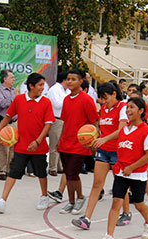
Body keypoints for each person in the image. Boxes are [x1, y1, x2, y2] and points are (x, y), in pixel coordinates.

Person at [0, 73, 55, 213]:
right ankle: (2, 201)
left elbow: (47, 125)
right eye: (40, 85)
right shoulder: (19, 99)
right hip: (21, 145)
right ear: (31, 86)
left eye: (43, 85)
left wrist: (37, 141)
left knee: (41, 173)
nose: (42, 88)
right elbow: (8, 116)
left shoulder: (46, 102)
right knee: (13, 173)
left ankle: (44, 196)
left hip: (39, 147)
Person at [97, 97, 148, 239]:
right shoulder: (125, 129)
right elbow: (116, 134)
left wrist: (132, 167)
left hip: (137, 174)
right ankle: (109, 235)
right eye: (127, 107)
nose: (128, 110)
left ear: (141, 111)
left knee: (139, 204)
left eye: (132, 107)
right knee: (116, 202)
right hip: (122, 173)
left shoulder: (146, 131)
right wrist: (103, 140)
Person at [71, 82, 127, 230]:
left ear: (114, 94)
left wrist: (104, 139)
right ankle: (86, 218)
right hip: (104, 150)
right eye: (101, 98)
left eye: (105, 97)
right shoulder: (103, 108)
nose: (104, 101)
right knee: (97, 184)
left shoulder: (122, 108)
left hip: (117, 151)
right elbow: (102, 129)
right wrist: (92, 140)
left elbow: (121, 130)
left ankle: (126, 213)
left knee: (120, 185)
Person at [56, 69, 99, 215]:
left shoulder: (87, 99)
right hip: (65, 142)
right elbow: (65, 122)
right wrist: (60, 140)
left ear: (81, 82)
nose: (70, 81)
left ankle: (80, 197)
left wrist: (94, 142)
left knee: (73, 174)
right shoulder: (67, 100)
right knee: (68, 174)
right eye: (68, 79)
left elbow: (94, 122)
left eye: (73, 79)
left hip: (80, 144)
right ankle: (71, 201)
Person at [0, 69, 16, 181]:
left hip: (14, 122)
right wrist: (13, 97)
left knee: (12, 148)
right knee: (2, 147)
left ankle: (10, 170)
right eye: (11, 77)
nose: (13, 79)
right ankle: (2, 171)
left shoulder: (14, 91)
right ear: (5, 79)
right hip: (2, 122)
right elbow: (2, 104)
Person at [46, 70, 69, 176]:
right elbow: (57, 104)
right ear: (64, 80)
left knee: (62, 144)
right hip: (56, 119)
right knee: (54, 144)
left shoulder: (66, 90)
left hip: (65, 120)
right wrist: (68, 100)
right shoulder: (54, 89)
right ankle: (52, 167)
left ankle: (60, 166)